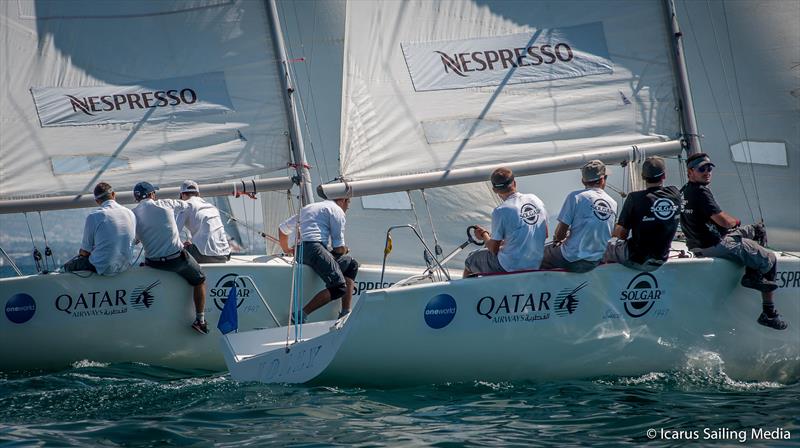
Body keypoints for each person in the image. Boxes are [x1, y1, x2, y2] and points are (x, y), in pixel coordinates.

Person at [680, 153, 786, 330]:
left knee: (753, 231)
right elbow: (724, 221)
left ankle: (753, 274)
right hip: (715, 246)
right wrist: (735, 222)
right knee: (769, 257)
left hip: (697, 246)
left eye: (709, 168)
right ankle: (769, 312)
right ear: (691, 171)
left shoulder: (684, 191)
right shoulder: (700, 192)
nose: (707, 172)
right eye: (702, 169)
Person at [132, 181, 209, 334]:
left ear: (136, 198)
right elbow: (189, 206)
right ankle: (200, 320)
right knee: (200, 280)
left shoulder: (133, 214)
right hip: (176, 260)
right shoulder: (165, 203)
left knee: (148, 257)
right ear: (152, 194)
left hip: (153, 263)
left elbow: (134, 240)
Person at [464, 167, 548, 277]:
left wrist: (484, 235)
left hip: (510, 266)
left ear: (494, 190)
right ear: (514, 183)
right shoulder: (535, 199)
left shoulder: (501, 211)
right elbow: (545, 234)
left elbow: (493, 250)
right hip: (535, 263)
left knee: (470, 260)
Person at [292, 186, 359, 324]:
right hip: (314, 249)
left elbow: (283, 227)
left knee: (351, 265)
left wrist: (287, 248)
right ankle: (300, 315)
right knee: (339, 288)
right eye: (348, 203)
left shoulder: (311, 207)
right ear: (342, 200)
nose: (348, 208)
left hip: (302, 250)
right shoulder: (337, 211)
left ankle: (345, 313)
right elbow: (338, 248)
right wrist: (344, 250)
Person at [604, 156, 681, 272]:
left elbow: (621, 235)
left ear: (643, 177)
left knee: (601, 248)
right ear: (664, 176)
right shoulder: (675, 193)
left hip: (636, 259)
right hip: (660, 259)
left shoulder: (634, 198)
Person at [541, 160, 616, 273]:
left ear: (583, 181)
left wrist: (558, 239)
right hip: (595, 260)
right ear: (602, 180)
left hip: (571, 259)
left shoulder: (576, 197)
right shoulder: (613, 203)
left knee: (539, 255)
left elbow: (560, 234)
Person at [63, 182, 136, 276]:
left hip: (104, 268)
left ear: (97, 201)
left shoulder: (94, 216)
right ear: (113, 194)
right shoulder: (130, 213)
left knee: (68, 267)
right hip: (125, 266)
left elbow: (85, 252)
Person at [176, 180, 231, 263]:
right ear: (198, 194)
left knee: (174, 252)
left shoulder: (186, 205)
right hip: (225, 255)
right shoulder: (212, 207)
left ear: (182, 195)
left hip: (203, 255)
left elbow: (173, 233)